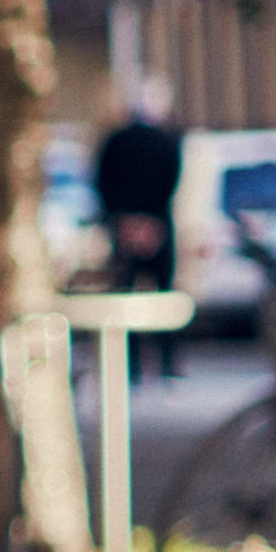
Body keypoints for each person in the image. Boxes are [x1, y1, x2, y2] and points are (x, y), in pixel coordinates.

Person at [94, 78, 185, 376]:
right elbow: (172, 180)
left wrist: (123, 219)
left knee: (126, 298)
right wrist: (150, 219)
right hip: (155, 223)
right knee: (160, 295)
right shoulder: (166, 140)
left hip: (128, 224)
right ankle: (166, 364)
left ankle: (131, 366)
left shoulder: (116, 139)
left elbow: (102, 180)